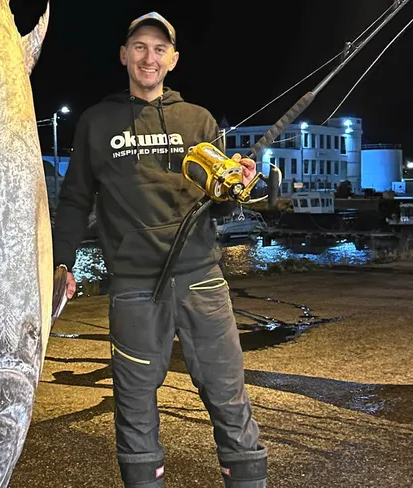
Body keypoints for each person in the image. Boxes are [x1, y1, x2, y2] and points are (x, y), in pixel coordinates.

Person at [52, 11, 268, 488]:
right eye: (140, 47)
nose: (149, 57)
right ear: (125, 55)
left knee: (229, 397)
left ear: (173, 60)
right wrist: (61, 261)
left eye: (159, 49)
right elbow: (73, 201)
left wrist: (234, 189)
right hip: (133, 287)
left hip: (201, 279)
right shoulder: (96, 121)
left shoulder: (199, 119)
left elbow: (220, 211)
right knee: (133, 405)